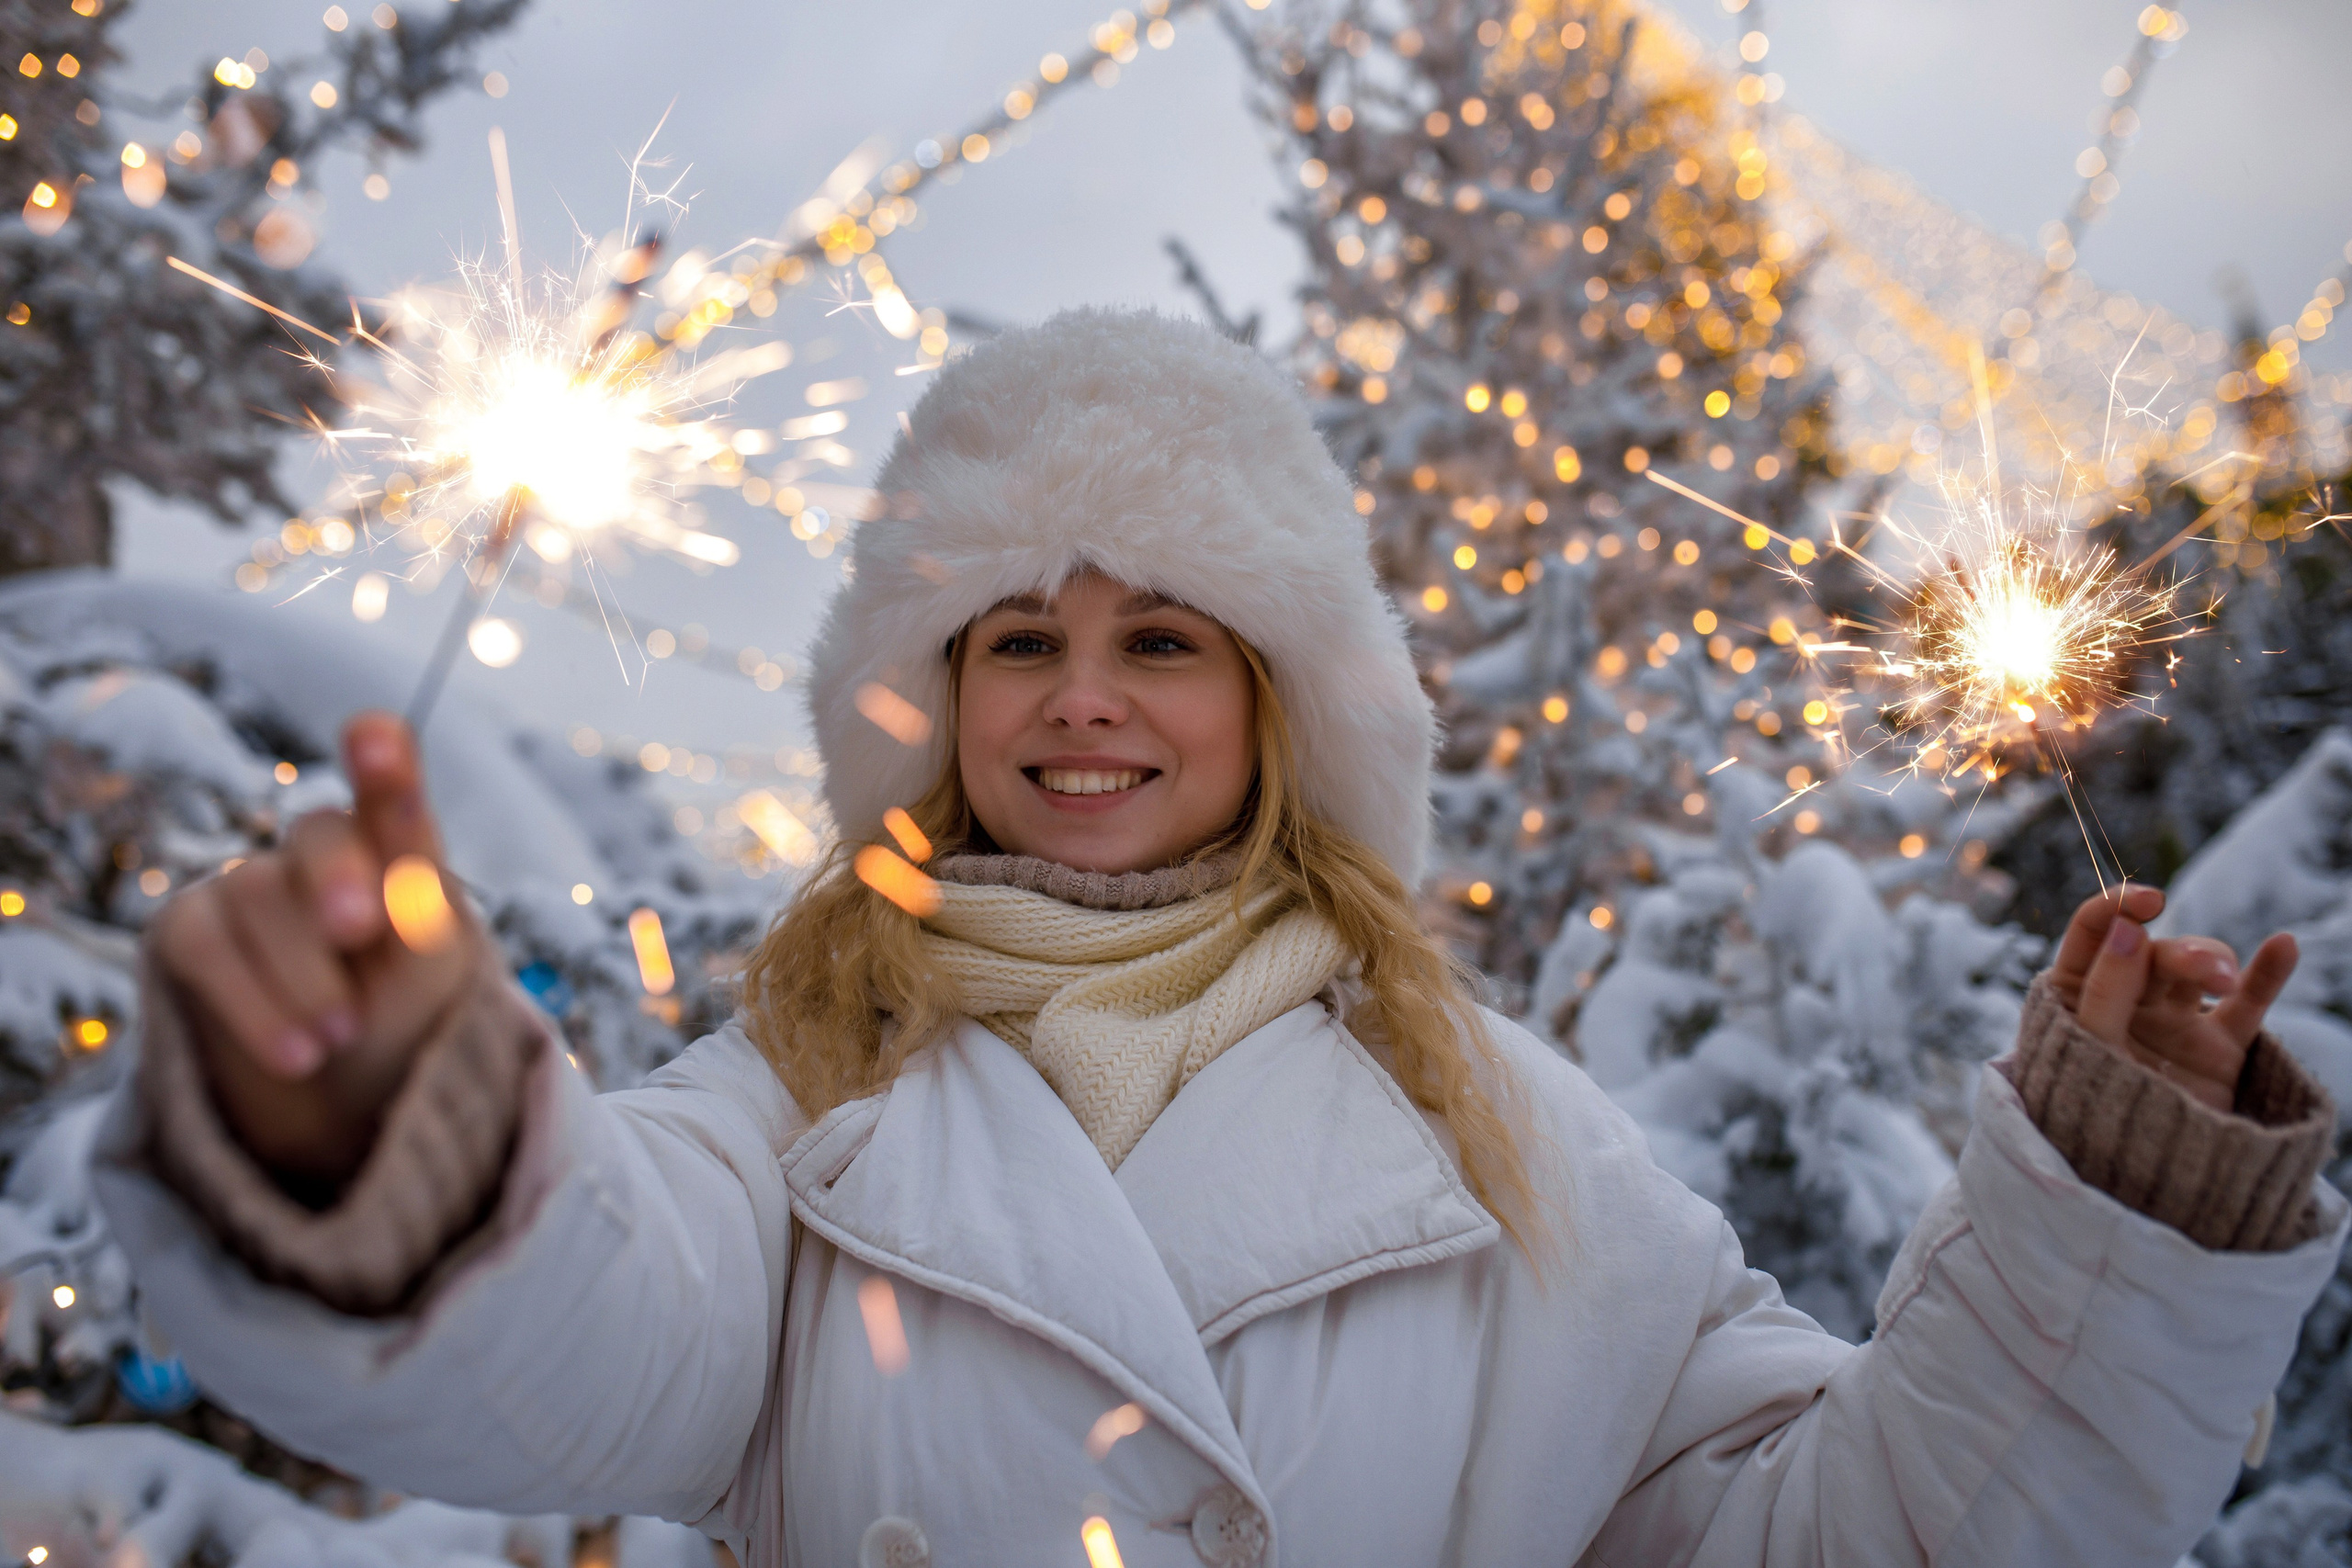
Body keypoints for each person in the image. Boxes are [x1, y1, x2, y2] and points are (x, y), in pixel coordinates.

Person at [96, 308, 2343, 1568]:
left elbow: (1867, 1543)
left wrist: (2110, 1214)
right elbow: (594, 1325)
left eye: (1160, 632)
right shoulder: (803, 1094)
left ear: (1272, 703)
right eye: (1014, 636)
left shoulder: (1501, 1135)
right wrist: (397, 1124)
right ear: (933, 702)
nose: (1082, 695)